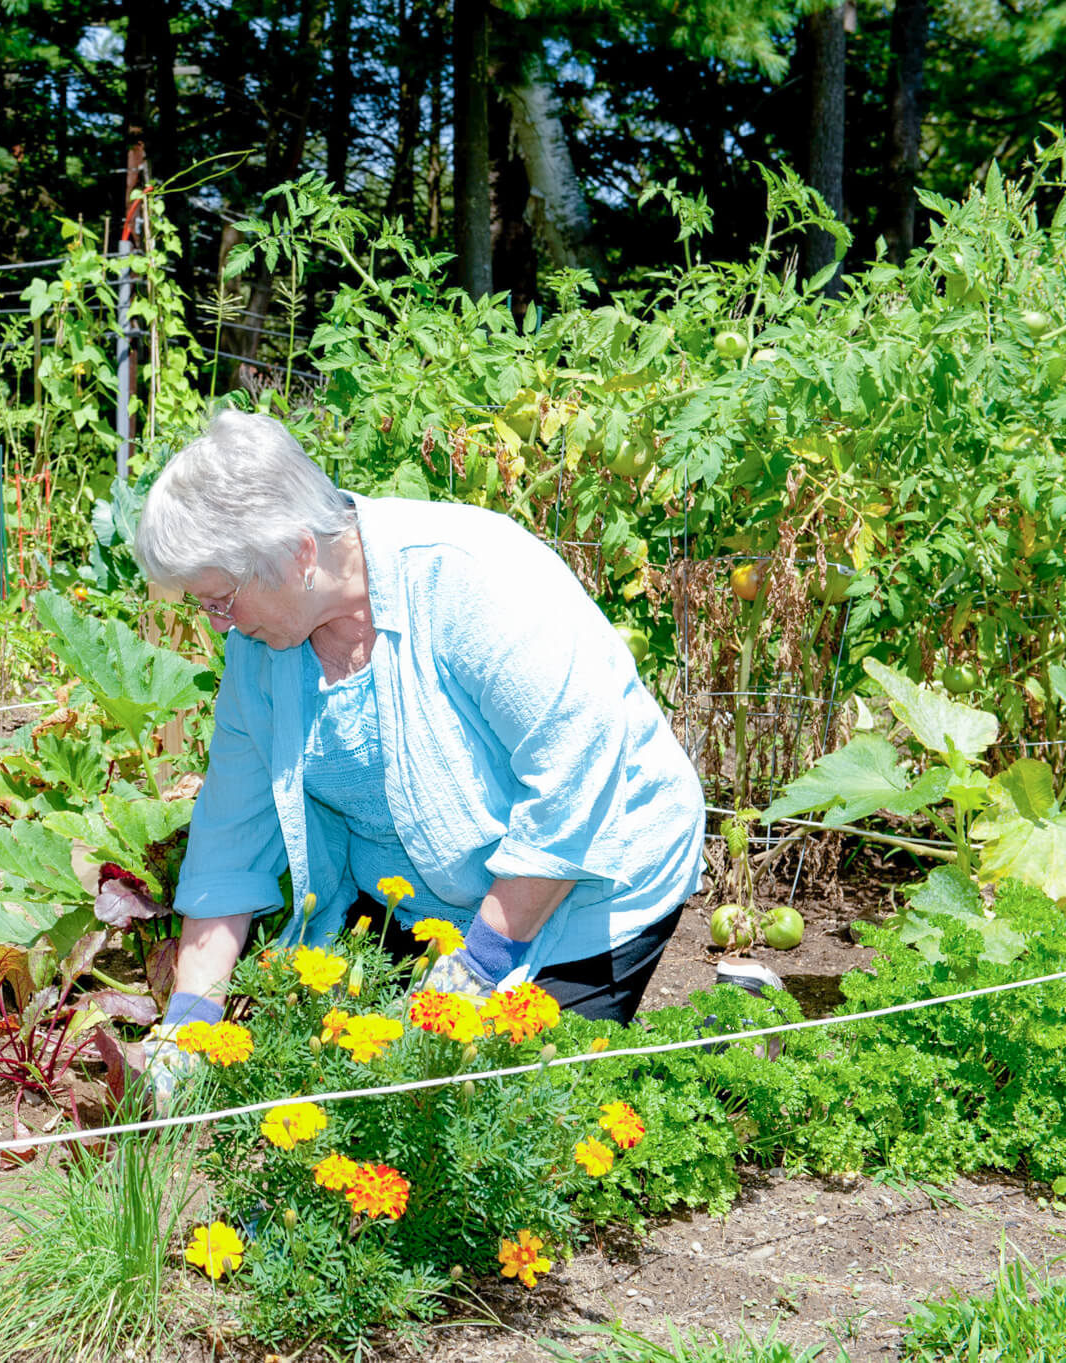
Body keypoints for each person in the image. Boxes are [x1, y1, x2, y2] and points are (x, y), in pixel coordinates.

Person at [124, 410, 704, 1070]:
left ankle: (723, 1043)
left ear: (299, 554)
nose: (216, 620)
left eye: (221, 596)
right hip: (427, 902)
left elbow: (575, 770)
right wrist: (187, 1029)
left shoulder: (470, 577)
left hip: (590, 877)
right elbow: (229, 843)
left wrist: (478, 966)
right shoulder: (261, 652)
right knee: (363, 1104)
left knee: (530, 1130)